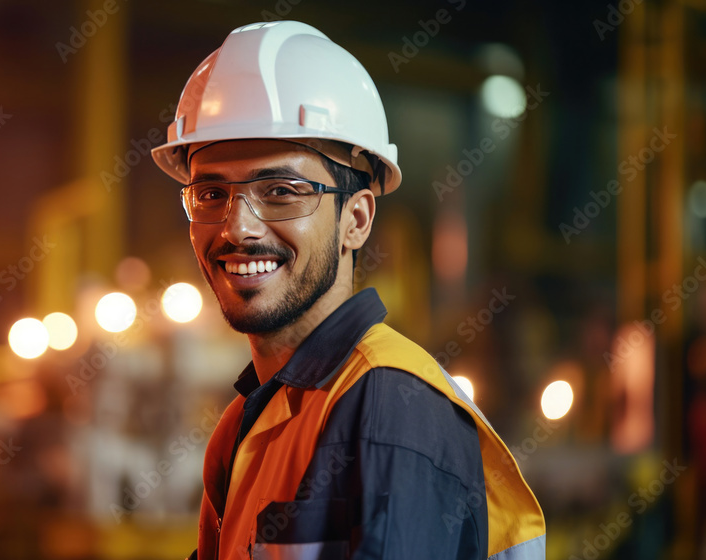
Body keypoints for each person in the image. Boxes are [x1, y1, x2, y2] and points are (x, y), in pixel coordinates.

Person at [151, 21, 545, 560]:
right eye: (211, 193)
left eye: (282, 191)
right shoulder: (248, 424)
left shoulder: (390, 407)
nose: (237, 228)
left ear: (355, 220)